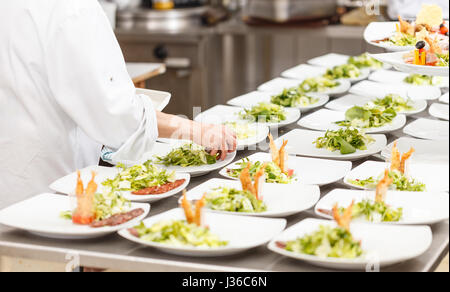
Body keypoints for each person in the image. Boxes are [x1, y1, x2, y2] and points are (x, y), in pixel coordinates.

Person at [0, 0, 236, 209]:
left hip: (13, 187)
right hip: (45, 197)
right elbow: (117, 117)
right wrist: (196, 130)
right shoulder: (73, 8)